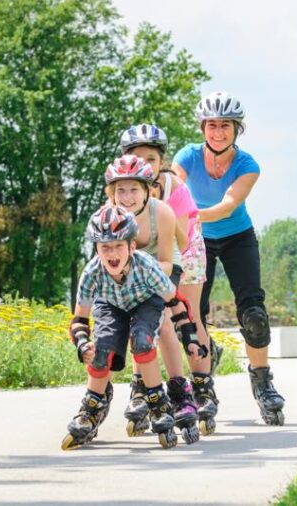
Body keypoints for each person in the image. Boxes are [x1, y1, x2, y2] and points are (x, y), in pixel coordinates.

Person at [171, 91, 285, 426]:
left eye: (225, 126)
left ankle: (263, 382)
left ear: (237, 129)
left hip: (237, 236)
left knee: (253, 313)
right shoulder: (187, 156)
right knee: (192, 317)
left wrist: (185, 214)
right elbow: (172, 185)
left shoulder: (247, 165)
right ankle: (203, 383)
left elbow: (226, 206)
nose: (218, 132)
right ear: (202, 127)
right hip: (197, 239)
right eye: (212, 125)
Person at [61, 205, 206, 450]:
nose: (112, 254)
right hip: (110, 304)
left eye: (118, 246)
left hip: (146, 301)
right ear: (96, 249)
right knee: (101, 352)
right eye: (105, 247)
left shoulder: (147, 266)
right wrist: (83, 343)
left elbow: (176, 304)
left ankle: (158, 403)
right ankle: (92, 407)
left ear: (131, 247)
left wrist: (190, 339)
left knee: (142, 341)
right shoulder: (92, 272)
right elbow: (79, 321)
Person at [120, 124, 220, 435]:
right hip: (145, 253)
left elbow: (179, 239)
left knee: (187, 316)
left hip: (184, 247)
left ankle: (202, 388)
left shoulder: (174, 188)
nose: (145, 164)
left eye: (151, 158)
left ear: (161, 161)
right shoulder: (124, 189)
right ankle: (141, 387)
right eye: (137, 157)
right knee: (145, 316)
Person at [104, 154, 205, 443]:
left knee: (161, 324)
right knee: (127, 325)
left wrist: (133, 268)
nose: (127, 197)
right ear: (111, 193)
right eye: (120, 190)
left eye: (134, 189)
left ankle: (178, 389)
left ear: (149, 190)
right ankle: (138, 387)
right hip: (126, 267)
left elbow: (165, 259)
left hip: (162, 265)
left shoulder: (160, 212)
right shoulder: (107, 213)